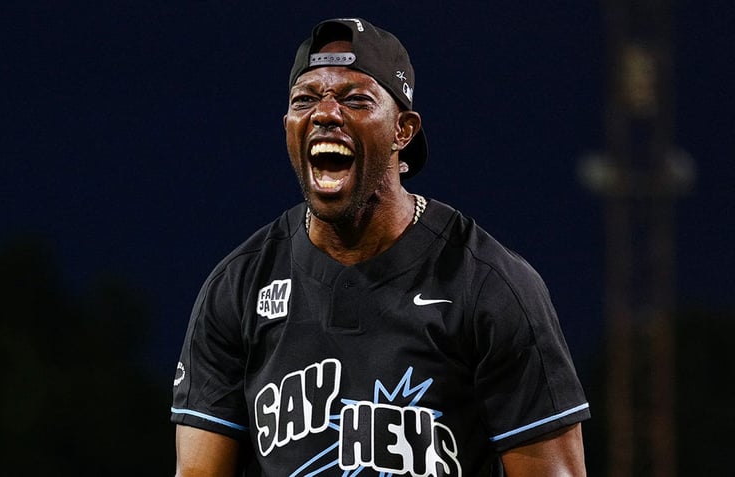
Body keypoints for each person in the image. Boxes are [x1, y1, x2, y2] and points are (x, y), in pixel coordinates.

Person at [172, 17, 590, 476]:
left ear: (402, 131)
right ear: (288, 125)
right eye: (305, 99)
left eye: (356, 100)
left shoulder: (488, 284)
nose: (326, 114)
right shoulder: (238, 287)